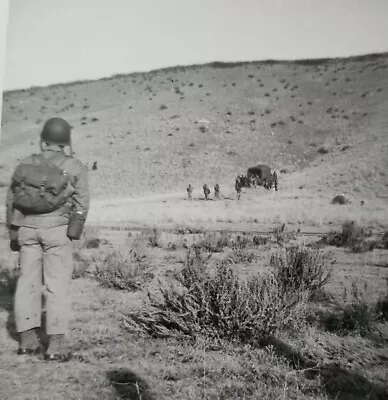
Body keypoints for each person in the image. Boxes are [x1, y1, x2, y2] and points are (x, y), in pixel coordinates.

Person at [5, 117, 90, 362]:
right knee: (57, 285)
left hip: (27, 230)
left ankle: (27, 340)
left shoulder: (26, 163)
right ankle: (55, 345)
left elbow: (11, 200)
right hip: (57, 231)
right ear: (65, 143)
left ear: (43, 142)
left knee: (26, 283)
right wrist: (74, 230)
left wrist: (14, 233)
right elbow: (82, 203)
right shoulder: (74, 166)